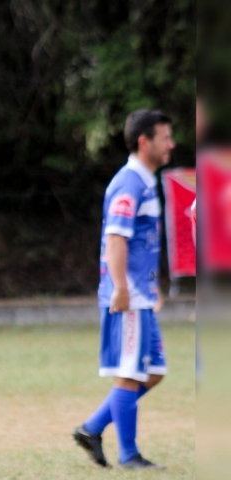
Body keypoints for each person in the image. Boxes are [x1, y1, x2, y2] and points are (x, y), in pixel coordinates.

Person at [72, 109, 176, 469]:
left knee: (154, 371)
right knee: (130, 374)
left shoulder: (145, 180)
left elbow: (139, 244)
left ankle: (93, 427)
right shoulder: (129, 182)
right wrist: (121, 288)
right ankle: (129, 455)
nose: (171, 144)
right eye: (165, 137)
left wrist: (153, 286)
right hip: (128, 297)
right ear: (144, 141)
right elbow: (115, 238)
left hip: (141, 294)